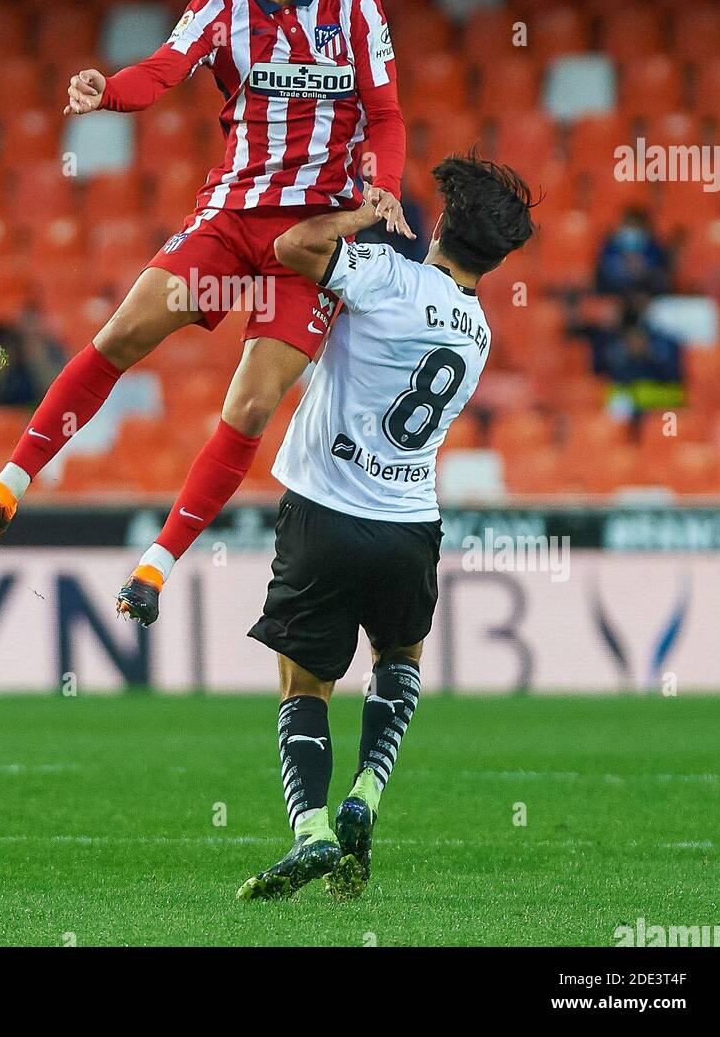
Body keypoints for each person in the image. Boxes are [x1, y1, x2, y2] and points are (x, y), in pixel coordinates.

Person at [0, 0, 412, 597]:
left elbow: (384, 115)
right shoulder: (221, 4)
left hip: (314, 245)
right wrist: (107, 92)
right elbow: (163, 68)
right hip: (230, 219)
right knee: (123, 332)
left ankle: (154, 567)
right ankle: (5, 486)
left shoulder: (355, 4)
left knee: (251, 404)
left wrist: (383, 187)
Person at [230, 151, 538, 901]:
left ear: (442, 223)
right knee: (398, 658)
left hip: (323, 515)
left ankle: (309, 828)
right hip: (407, 524)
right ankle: (366, 791)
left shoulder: (385, 275)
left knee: (304, 684)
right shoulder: (476, 332)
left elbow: (291, 248)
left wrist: (360, 216)